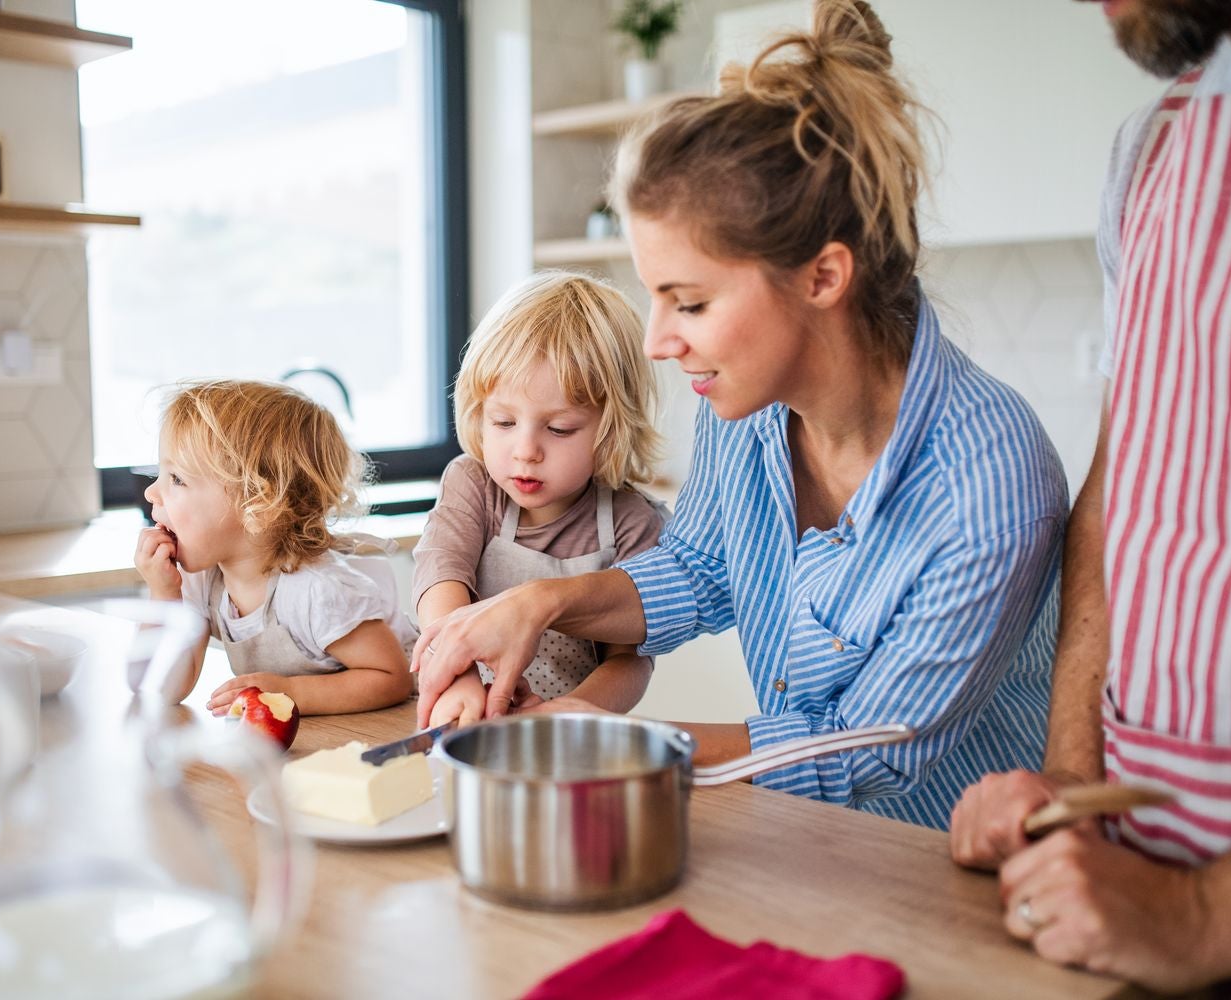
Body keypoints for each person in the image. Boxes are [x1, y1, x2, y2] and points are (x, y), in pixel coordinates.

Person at [414, 0, 1069, 831]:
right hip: (811, 848)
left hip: (957, 871)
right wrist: (540, 604)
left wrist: (588, 736)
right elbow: (699, 572)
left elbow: (864, 750)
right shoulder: (744, 406)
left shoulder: (989, 483)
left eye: (688, 302)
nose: (657, 342)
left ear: (823, 278)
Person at [948, 0, 1231, 992]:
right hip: (1135, 952)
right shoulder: (1152, 150)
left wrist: (1212, 912)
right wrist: (1076, 779)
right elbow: (1124, 483)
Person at [413, 271, 668, 727]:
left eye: (559, 429)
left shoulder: (632, 523)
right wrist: (460, 674)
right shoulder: (474, 484)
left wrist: (564, 717)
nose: (525, 450)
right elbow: (439, 575)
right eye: (504, 422)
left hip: (568, 740)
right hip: (467, 717)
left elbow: (630, 660)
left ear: (612, 428)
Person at [134, 379, 416, 716]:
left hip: (395, 722)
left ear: (259, 504)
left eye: (177, 479)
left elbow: (391, 677)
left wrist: (292, 692)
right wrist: (163, 595)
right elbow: (161, 687)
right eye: (160, 474)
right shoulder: (205, 579)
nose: (152, 493)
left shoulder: (317, 591)